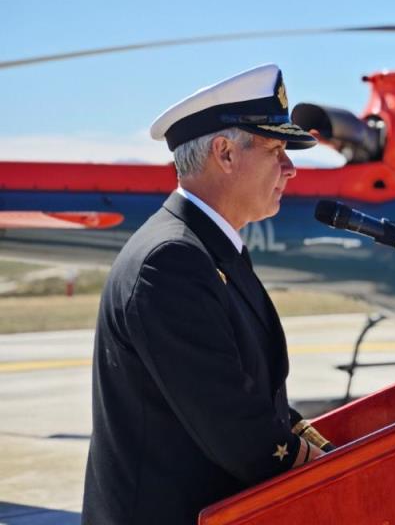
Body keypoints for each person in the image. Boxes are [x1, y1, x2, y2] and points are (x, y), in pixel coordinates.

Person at [83, 65, 334, 524]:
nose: (291, 168)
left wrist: (324, 444)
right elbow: (237, 429)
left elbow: (254, 390)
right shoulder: (171, 261)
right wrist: (333, 471)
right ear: (224, 153)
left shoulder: (211, 250)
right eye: (276, 149)